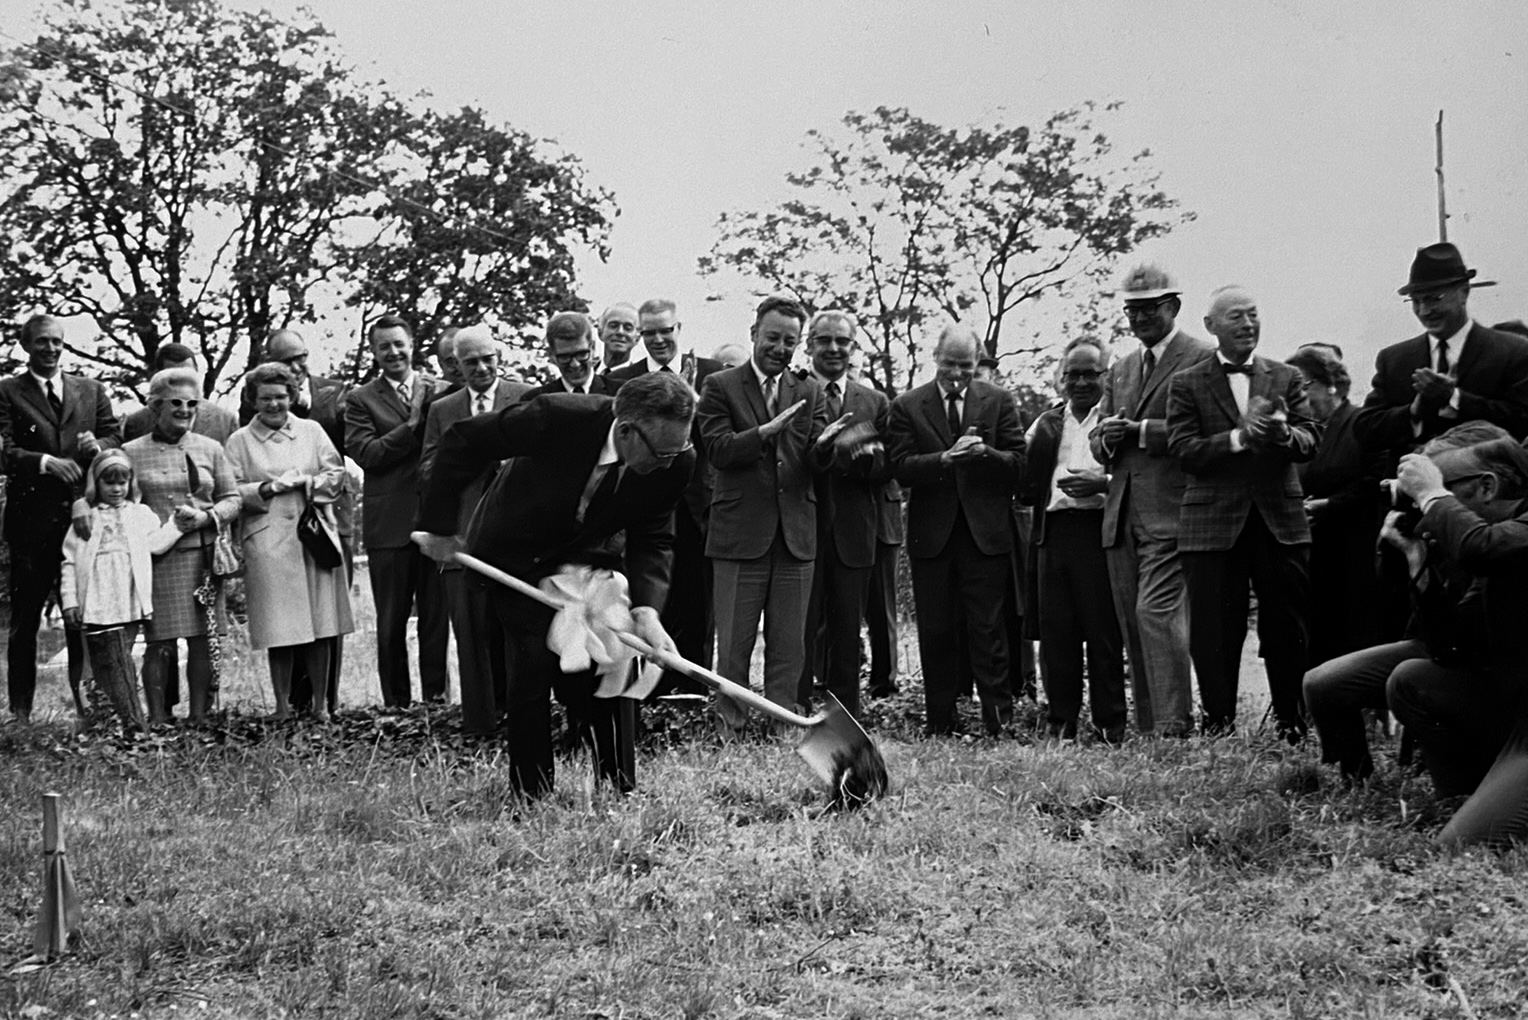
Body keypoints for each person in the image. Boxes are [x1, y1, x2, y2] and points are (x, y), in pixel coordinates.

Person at [415, 372, 694, 798]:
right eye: (663, 453)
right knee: (532, 665)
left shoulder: (677, 458)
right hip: (516, 555)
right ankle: (533, 796)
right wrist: (438, 527)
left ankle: (619, 789)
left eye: (679, 450)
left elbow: (654, 537)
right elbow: (462, 440)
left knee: (613, 658)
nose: (670, 463)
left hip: (587, 557)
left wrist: (647, 612)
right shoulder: (556, 416)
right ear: (626, 431)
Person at [1302, 422, 1509, 784]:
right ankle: (1355, 779)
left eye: (1433, 487)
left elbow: (1456, 643)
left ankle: (1461, 783)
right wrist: (1404, 552)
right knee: (1323, 683)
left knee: (1410, 678)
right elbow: (1393, 605)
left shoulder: (1496, 532)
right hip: (1440, 640)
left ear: (1487, 486)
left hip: (1483, 662)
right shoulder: (1448, 520)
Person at [1166, 286, 1319, 740]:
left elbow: (1311, 440)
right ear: (1210, 326)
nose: (1248, 324)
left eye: (1253, 315)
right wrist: (1239, 439)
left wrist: (1280, 434)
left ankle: (1291, 723)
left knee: (1286, 626)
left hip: (1279, 520)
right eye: (1236, 317)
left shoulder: (1286, 376)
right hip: (1211, 525)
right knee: (1214, 631)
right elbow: (1182, 450)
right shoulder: (1187, 382)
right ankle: (1218, 727)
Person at [699, 296, 833, 728]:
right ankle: (730, 727)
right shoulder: (720, 385)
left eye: (789, 341)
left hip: (795, 535)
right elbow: (717, 450)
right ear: (753, 333)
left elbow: (812, 460)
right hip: (740, 534)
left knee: (789, 644)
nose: (779, 347)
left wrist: (830, 446)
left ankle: (781, 724)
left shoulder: (808, 389)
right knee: (734, 644)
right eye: (772, 337)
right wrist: (764, 432)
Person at [1091, 265, 1214, 737]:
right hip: (1121, 513)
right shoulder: (1120, 368)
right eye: (1131, 308)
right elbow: (1102, 442)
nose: (1139, 317)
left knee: (1157, 615)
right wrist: (1106, 437)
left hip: (1173, 510)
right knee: (1132, 622)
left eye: (1149, 307)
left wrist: (1140, 431)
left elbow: (1205, 433)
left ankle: (1173, 727)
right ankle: (1150, 729)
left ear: (1174, 307)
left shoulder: (1201, 358)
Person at [1390, 436, 1528, 848]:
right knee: (1413, 678)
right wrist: (1418, 562)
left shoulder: (1498, 542)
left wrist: (1432, 493)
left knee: (1459, 848)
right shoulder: (1498, 541)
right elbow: (1451, 646)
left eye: (1444, 484)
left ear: (1486, 486)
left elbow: (1480, 548)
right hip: (1519, 712)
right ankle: (1469, 795)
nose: (1424, 503)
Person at [888, 323, 1025, 736]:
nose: (957, 375)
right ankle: (940, 721)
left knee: (989, 629)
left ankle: (999, 722)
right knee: (935, 629)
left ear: (976, 363)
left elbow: (1019, 463)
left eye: (966, 367)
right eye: (950, 365)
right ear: (936, 358)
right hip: (932, 537)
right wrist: (943, 461)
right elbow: (899, 467)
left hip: (985, 537)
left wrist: (986, 455)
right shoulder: (908, 405)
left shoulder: (999, 400)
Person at [0, 314, 121, 724]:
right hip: (30, 524)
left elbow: (115, 437)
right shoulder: (7, 392)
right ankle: (20, 714)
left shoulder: (91, 390)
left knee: (81, 618)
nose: (50, 349)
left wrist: (97, 444)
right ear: (25, 346)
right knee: (25, 621)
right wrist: (45, 462)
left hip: (82, 519)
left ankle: (90, 710)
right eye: (41, 343)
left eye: (56, 342)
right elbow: (5, 451)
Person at [607, 299, 724, 695]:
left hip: (694, 512)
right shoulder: (622, 379)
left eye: (665, 330)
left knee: (695, 605)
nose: (658, 339)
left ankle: (691, 695)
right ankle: (648, 696)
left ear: (679, 329)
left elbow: (717, 446)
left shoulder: (712, 375)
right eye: (649, 332)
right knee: (648, 602)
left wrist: (692, 402)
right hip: (642, 513)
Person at [227, 362, 354, 721]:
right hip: (268, 542)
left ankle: (319, 706)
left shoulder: (312, 431)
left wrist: (308, 483)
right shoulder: (239, 441)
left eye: (281, 397)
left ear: (292, 397)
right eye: (265, 398)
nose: (274, 405)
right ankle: (282, 707)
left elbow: (336, 473)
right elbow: (228, 491)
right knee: (278, 627)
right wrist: (267, 488)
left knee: (321, 624)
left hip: (312, 538)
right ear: (253, 400)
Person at [420, 327, 530, 734]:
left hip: (517, 536)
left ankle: (523, 719)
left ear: (499, 356)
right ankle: (481, 726)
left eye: (488, 359)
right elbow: (428, 468)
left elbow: (544, 458)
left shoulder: (525, 396)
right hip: (464, 536)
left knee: (518, 634)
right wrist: (469, 461)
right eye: (471, 362)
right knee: (470, 634)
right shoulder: (442, 409)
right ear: (456, 365)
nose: (481, 368)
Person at [122, 368, 241, 724]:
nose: (185, 410)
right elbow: (119, 503)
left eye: (193, 403)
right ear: (155, 406)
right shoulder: (131, 452)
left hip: (203, 558)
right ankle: (157, 719)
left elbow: (232, 498)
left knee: (204, 639)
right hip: (156, 560)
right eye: (176, 402)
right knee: (160, 642)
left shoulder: (211, 448)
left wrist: (207, 518)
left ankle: (200, 717)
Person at [344, 314, 450, 708]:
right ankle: (396, 706)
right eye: (383, 346)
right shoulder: (360, 399)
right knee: (390, 625)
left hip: (436, 521)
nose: (393, 352)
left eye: (398, 344)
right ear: (373, 352)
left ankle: (437, 701)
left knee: (436, 622)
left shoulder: (440, 389)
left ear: (412, 345)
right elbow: (367, 454)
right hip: (388, 525)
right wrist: (412, 424)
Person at [1022, 339, 1125, 742]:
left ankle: (1109, 726)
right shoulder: (1046, 423)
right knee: (1056, 636)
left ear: (1106, 376)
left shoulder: (1116, 420)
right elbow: (1027, 480)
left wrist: (1102, 484)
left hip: (1099, 533)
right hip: (1052, 535)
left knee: (1103, 634)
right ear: (1061, 378)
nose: (1081, 383)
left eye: (1090, 374)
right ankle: (1060, 724)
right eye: (1073, 375)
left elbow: (1135, 479)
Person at [794, 310, 894, 719]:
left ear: (854, 348)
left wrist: (861, 458)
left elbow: (887, 469)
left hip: (854, 531)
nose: (834, 349)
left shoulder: (874, 401)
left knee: (847, 631)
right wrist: (839, 449)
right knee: (799, 629)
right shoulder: (794, 392)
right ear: (810, 345)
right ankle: (795, 710)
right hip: (803, 529)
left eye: (843, 342)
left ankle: (844, 714)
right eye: (825, 340)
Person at [1355, 243, 1528, 462]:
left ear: (1464, 292)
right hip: (1414, 491)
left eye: (1433, 299)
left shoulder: (1512, 352)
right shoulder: (1394, 359)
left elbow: (1522, 421)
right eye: (1416, 301)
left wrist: (1456, 399)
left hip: (1485, 489)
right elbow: (1365, 430)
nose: (1424, 311)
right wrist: (1413, 411)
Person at [60, 450, 179, 731]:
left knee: (122, 656)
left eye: (122, 482)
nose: (116, 489)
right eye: (109, 483)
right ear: (96, 484)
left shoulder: (141, 513)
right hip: (95, 595)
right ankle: (94, 717)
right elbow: (69, 561)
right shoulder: (86, 516)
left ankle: (125, 716)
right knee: (95, 659)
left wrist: (176, 526)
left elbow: (155, 544)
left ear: (130, 483)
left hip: (126, 592)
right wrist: (70, 601)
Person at [1285, 345, 1384, 665]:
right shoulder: (1301, 433)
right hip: (1313, 557)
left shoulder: (1361, 423)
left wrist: (1330, 505)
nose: (1297, 397)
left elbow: (1377, 480)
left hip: (1357, 553)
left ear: (1331, 383)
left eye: (1303, 386)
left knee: (1359, 640)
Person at [123, 344, 237, 443]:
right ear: (157, 377)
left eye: (188, 373)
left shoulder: (225, 421)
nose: (183, 380)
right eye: (174, 376)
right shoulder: (137, 423)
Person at [521, 312, 618, 397]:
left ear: (592, 348)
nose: (575, 364)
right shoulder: (534, 401)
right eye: (565, 357)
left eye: (581, 354)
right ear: (551, 355)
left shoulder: (620, 394)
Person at [597, 303, 640, 373]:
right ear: (600, 333)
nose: (620, 332)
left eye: (628, 328)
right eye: (613, 326)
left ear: (637, 338)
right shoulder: (583, 374)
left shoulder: (641, 381)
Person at [435, 327, 465, 392]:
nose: (460, 367)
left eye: (465, 358)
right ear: (441, 365)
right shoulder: (437, 401)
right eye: (452, 362)